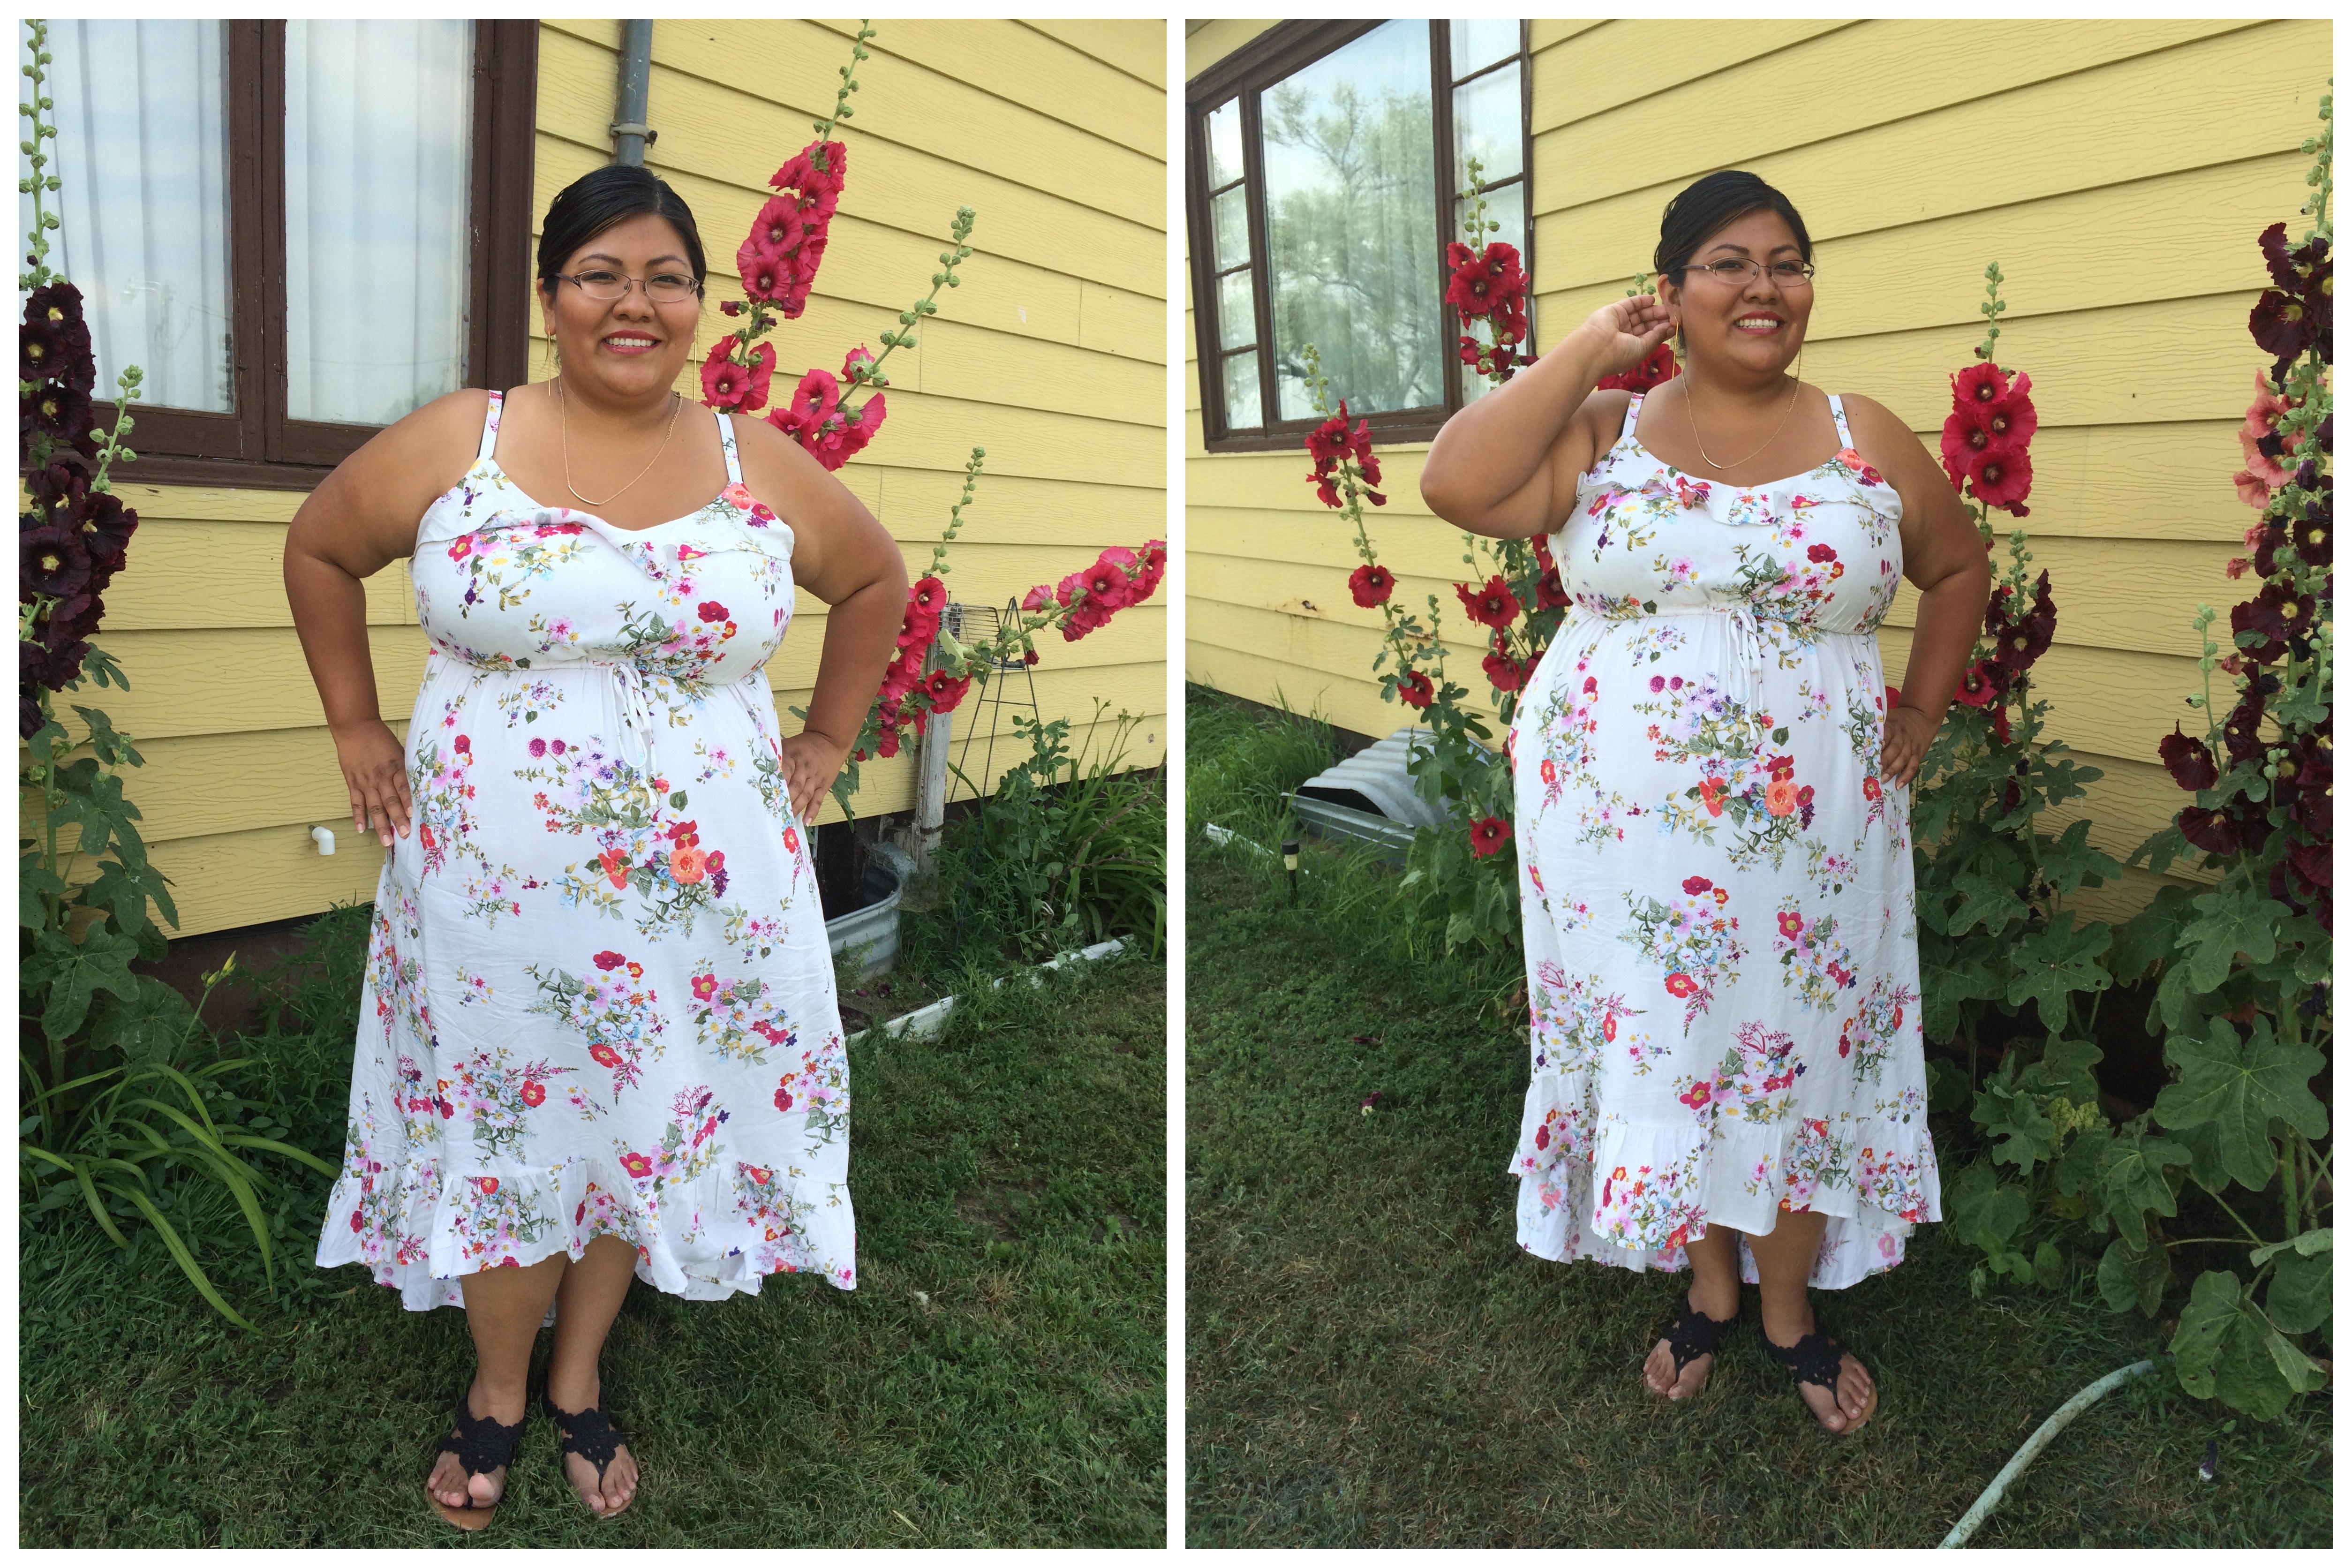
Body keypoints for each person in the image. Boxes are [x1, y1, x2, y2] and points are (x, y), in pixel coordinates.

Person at [286, 164, 908, 1525]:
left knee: (646, 1110)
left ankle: (580, 1376)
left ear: (700, 301)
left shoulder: (756, 461)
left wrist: (824, 743)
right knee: (513, 1114)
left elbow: (875, 579)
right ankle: (497, 1391)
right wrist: (355, 725)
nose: (635, 303)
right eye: (600, 275)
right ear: (552, 298)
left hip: (703, 896)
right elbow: (323, 548)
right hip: (491, 887)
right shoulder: (469, 438)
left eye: (666, 277)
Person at [1419, 170, 1988, 1436]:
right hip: (1621, 842)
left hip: (1815, 837)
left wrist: (1916, 715)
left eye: (1787, 261)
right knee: (1672, 1045)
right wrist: (1584, 351)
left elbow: (1957, 569)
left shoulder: (1865, 436)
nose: (1765, 287)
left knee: (1792, 1049)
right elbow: (1457, 486)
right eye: (1729, 263)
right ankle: (1709, 1284)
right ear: (1672, 290)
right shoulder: (1602, 429)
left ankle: (1787, 1308)